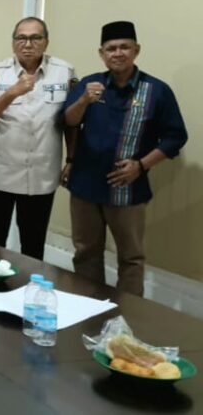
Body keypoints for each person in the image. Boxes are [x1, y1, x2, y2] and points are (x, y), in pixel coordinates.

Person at [63, 21, 187, 296]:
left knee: (131, 258)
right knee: (85, 252)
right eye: (111, 48)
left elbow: (175, 137)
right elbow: (69, 121)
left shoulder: (156, 90)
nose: (117, 53)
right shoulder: (90, 84)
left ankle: (129, 316)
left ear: (136, 50)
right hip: (85, 186)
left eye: (124, 47)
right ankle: (89, 307)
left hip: (128, 188)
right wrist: (83, 100)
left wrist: (141, 165)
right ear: (101, 53)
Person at [0, 17, 76, 260]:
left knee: (33, 246)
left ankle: (28, 284)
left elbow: (71, 121)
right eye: (21, 38)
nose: (28, 44)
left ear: (46, 42)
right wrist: (11, 93)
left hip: (41, 176)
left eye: (35, 38)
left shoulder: (64, 72)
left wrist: (72, 160)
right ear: (13, 43)